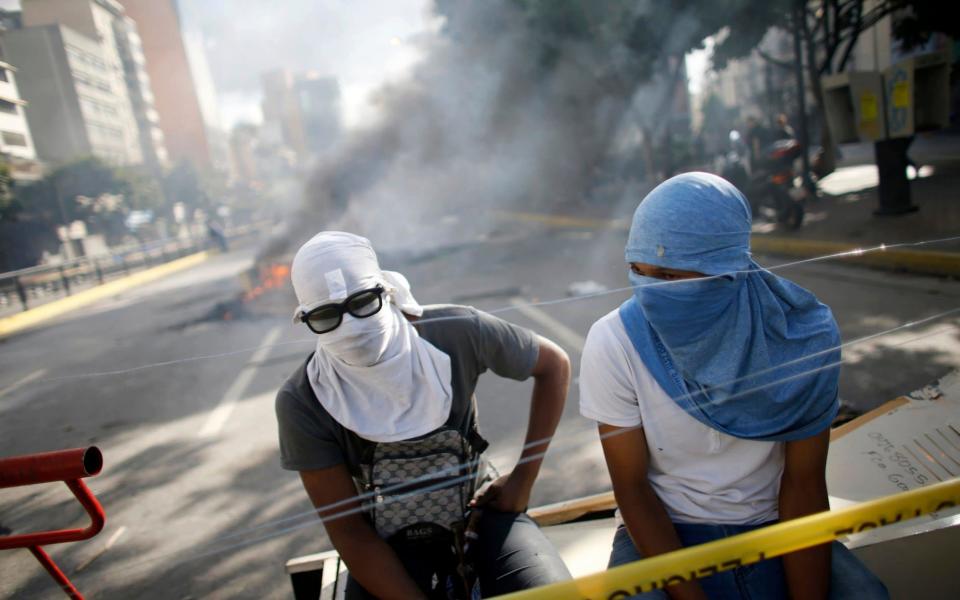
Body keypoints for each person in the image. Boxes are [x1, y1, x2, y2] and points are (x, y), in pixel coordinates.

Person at [579, 173, 887, 599]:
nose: (651, 293)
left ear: (727, 269)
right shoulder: (615, 341)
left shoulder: (803, 339)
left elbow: (803, 484)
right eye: (637, 271)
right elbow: (632, 489)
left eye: (668, 276)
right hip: (663, 532)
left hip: (774, 526)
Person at [276, 231, 572, 599]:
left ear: (385, 291)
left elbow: (553, 365)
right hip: (382, 542)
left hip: (479, 513)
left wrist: (524, 477)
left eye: (363, 302)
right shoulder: (304, 400)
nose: (350, 326)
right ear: (306, 319)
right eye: (326, 315)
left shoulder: (457, 333)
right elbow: (349, 529)